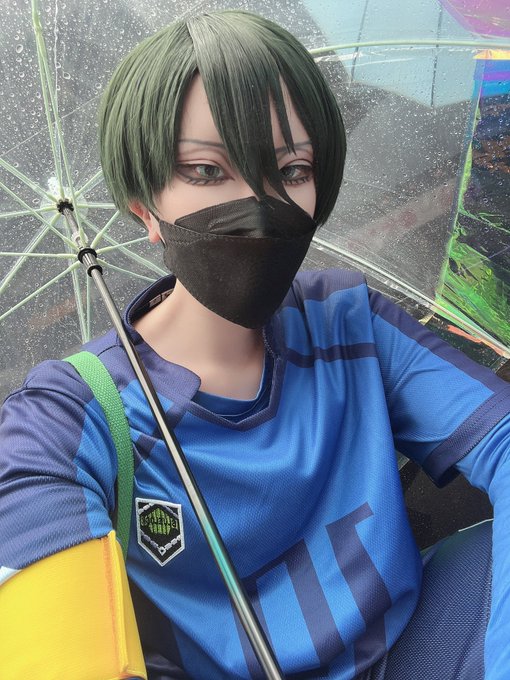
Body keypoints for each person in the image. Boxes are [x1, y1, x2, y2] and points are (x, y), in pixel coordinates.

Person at [0, 9, 509, 680]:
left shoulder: (350, 321)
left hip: (419, 647)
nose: (259, 206)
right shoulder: (67, 420)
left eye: (292, 169)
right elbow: (53, 639)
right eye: (206, 170)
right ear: (144, 203)